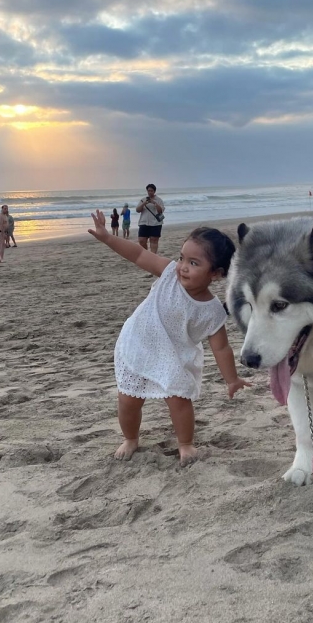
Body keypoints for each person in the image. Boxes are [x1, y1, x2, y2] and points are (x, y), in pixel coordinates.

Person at [88, 211, 250, 464]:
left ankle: (185, 444)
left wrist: (231, 378)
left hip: (173, 356)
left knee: (179, 401)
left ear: (216, 274)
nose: (183, 267)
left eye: (194, 263)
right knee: (129, 400)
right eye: (182, 257)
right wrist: (108, 238)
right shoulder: (168, 274)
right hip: (138, 344)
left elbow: (221, 348)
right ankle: (130, 438)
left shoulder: (213, 310)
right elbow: (139, 254)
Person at [136, 184, 165, 254]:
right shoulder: (143, 200)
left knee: (154, 240)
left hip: (155, 223)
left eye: (151, 191)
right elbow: (137, 210)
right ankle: (146, 254)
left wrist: (154, 203)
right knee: (141, 240)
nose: (150, 192)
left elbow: (160, 211)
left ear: (154, 191)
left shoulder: (159, 200)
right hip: (144, 222)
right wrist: (144, 204)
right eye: (148, 191)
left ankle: (153, 256)